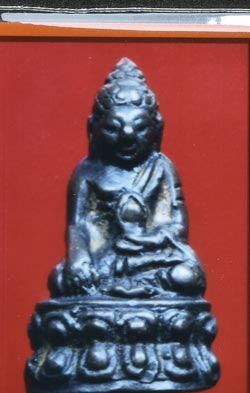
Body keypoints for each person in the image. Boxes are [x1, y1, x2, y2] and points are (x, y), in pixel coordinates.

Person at [49, 58, 206, 298]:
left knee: (187, 275)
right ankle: (132, 288)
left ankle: (135, 287)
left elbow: (177, 222)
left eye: (141, 127)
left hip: (151, 255)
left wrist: (147, 240)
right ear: (92, 129)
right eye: (112, 128)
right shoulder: (87, 171)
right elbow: (78, 225)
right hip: (105, 257)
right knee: (60, 279)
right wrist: (79, 258)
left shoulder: (161, 167)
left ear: (158, 129)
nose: (127, 136)